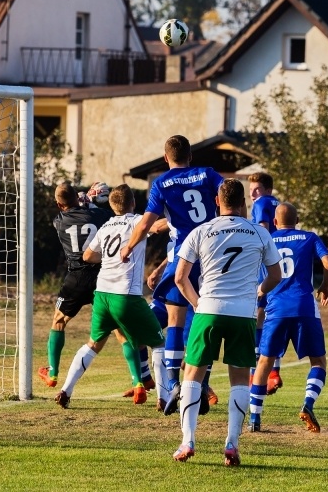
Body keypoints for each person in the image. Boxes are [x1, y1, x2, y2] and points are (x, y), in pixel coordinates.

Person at [172, 179, 282, 466]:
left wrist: (198, 304)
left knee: (192, 376)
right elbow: (275, 275)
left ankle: (188, 441)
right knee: (239, 379)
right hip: (243, 315)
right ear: (244, 202)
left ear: (217, 202)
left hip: (208, 309)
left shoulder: (201, 231)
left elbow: (180, 278)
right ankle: (231, 444)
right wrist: (258, 292)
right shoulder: (259, 233)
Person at [119, 134, 224, 415]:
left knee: (175, 320)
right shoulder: (208, 174)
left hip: (184, 257)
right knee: (205, 322)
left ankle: (174, 383)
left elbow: (145, 225)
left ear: (166, 158)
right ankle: (202, 384)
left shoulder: (162, 184)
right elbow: (228, 199)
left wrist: (128, 247)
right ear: (190, 156)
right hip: (213, 255)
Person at [54, 184, 165, 408]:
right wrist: (177, 219)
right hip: (126, 296)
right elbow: (160, 225)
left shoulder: (105, 227)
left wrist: (106, 260)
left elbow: (87, 255)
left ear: (112, 206)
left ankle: (66, 389)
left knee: (93, 344)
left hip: (103, 294)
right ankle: (163, 398)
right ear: (133, 203)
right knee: (159, 343)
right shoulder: (137, 221)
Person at [38, 182, 144, 392]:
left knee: (58, 321)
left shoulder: (59, 221)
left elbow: (72, 209)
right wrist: (92, 203)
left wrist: (82, 200)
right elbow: (110, 215)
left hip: (76, 278)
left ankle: (53, 373)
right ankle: (137, 381)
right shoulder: (100, 217)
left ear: (59, 205)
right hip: (101, 278)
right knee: (120, 329)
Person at [249, 203, 328, 433]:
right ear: (297, 221)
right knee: (318, 362)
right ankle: (307, 403)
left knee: (264, 363)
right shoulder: (309, 237)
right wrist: (325, 285)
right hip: (304, 307)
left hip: (276, 308)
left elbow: (260, 279)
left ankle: (254, 419)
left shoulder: (266, 239)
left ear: (275, 222)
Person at [248, 172, 283, 394]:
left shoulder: (261, 203)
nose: (253, 194)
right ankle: (274, 370)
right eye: (251, 190)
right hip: (279, 266)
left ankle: (258, 373)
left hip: (264, 266)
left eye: (257, 189)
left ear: (267, 190)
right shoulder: (279, 204)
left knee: (257, 317)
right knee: (270, 316)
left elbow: (262, 229)